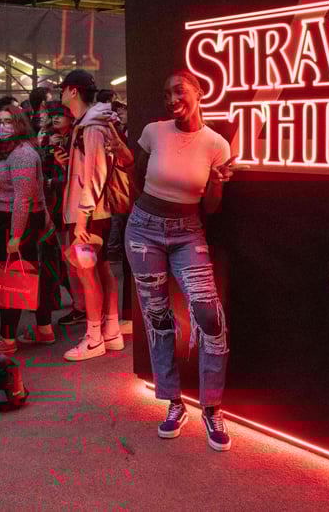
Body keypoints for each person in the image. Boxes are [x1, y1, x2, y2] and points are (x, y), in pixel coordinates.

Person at [124, 70, 236, 452]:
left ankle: (211, 407)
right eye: (167, 92)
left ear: (198, 93)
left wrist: (217, 182)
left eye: (179, 91)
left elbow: (212, 208)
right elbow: (138, 179)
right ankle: (173, 402)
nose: (172, 98)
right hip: (143, 229)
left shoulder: (216, 144)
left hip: (188, 230)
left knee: (208, 314)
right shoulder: (154, 132)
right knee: (157, 317)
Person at [58, 69, 127, 362]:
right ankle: (110, 331)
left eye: (63, 89)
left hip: (87, 214)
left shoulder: (91, 126)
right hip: (92, 211)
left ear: (73, 91)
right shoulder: (89, 124)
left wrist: (83, 218)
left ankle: (94, 337)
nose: (60, 96)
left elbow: (95, 174)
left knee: (89, 274)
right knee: (100, 271)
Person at [0, 105, 55, 354]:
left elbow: (23, 198)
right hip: (21, 222)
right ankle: (44, 330)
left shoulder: (21, 154)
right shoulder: (14, 151)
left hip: (17, 223)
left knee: (10, 283)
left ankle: (7, 340)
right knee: (28, 275)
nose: (1, 126)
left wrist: (15, 236)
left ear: (19, 124)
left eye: (8, 121)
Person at [44, 102, 86, 327]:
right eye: (53, 116)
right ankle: (80, 305)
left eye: (61, 115)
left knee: (78, 261)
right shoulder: (53, 141)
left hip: (76, 208)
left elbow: (76, 178)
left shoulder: (76, 139)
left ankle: (83, 307)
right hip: (60, 209)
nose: (56, 119)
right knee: (68, 259)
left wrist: (55, 177)